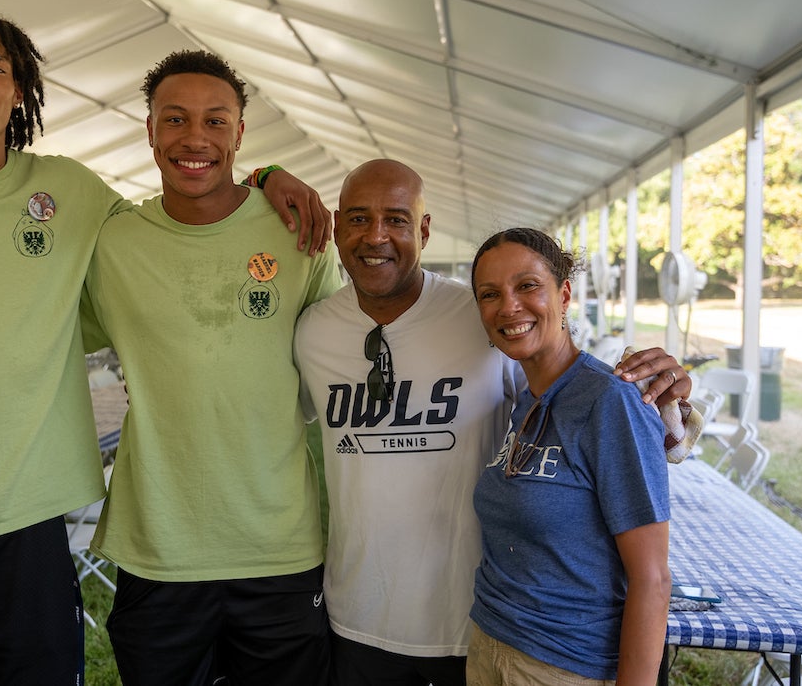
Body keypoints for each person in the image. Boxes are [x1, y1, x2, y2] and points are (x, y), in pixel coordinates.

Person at [0, 9, 328, 685]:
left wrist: (268, 177)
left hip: (30, 531)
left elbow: (193, 202)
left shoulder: (71, 192)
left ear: (20, 90)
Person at [293, 160, 687, 686]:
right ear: (338, 226)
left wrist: (672, 404)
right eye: (359, 219)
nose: (377, 236)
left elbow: (578, 393)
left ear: (425, 229)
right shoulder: (313, 330)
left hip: (469, 625)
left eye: (397, 219)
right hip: (360, 617)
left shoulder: (474, 313)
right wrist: (265, 177)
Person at [79, 50, 344, 686]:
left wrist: (271, 176)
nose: (194, 138)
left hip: (279, 545)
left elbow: (337, 362)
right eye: (174, 119)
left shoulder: (298, 234)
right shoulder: (110, 243)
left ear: (241, 135)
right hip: (160, 550)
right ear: (149, 130)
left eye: (216, 122)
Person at [467, 227, 671, 685]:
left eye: (527, 286)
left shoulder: (609, 401)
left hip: (564, 664)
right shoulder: (525, 399)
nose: (509, 307)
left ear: (564, 295)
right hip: (490, 644)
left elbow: (653, 580)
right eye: (489, 294)